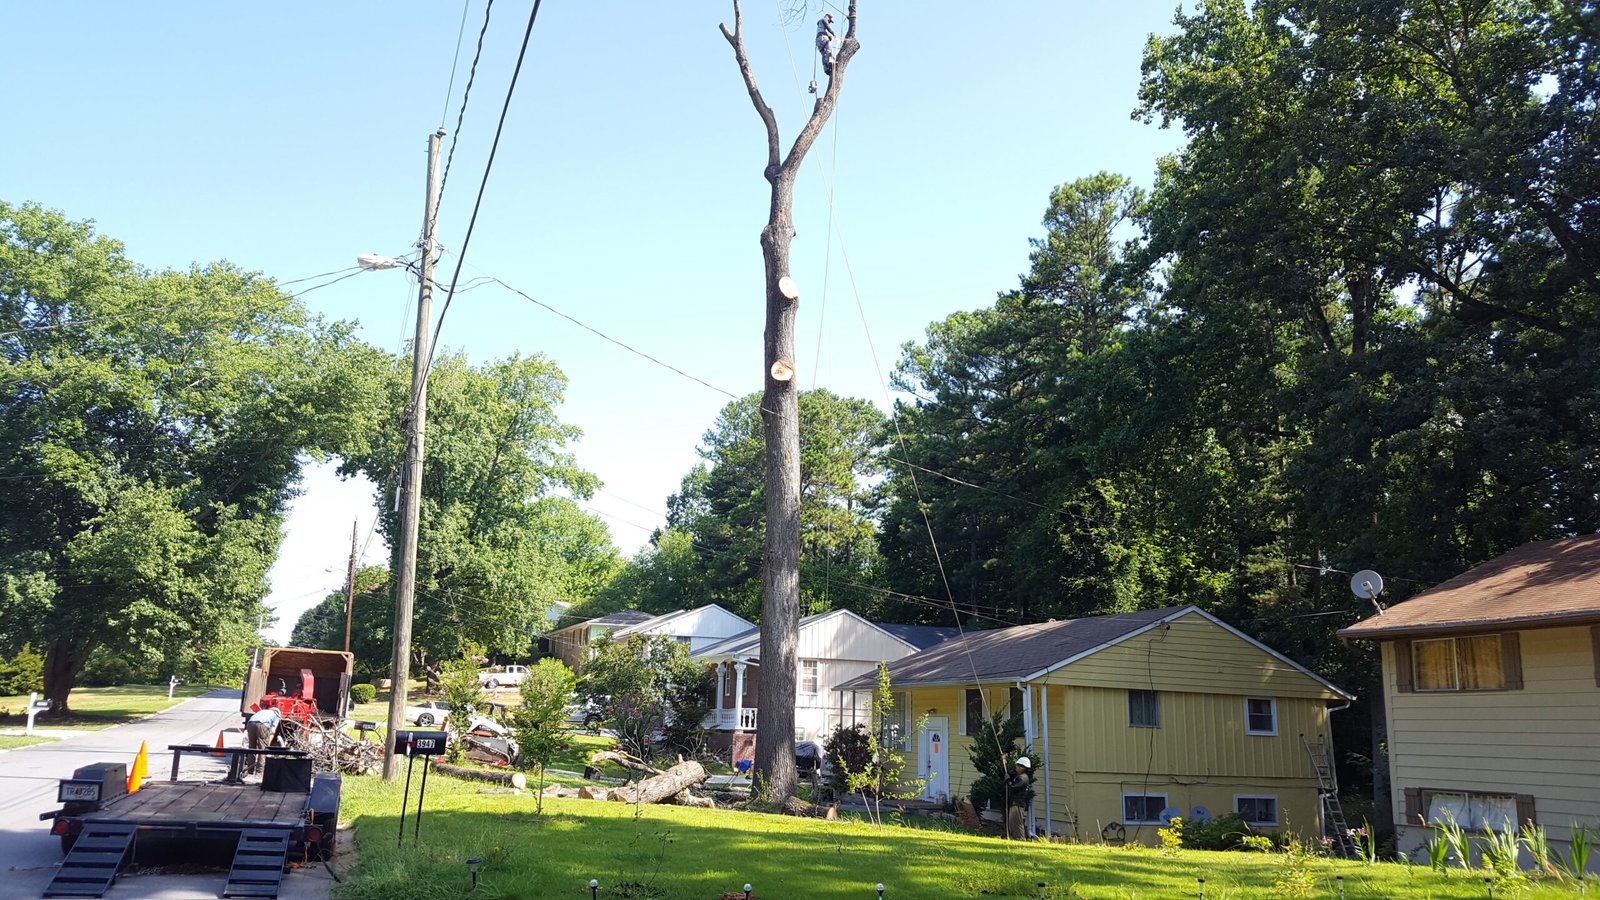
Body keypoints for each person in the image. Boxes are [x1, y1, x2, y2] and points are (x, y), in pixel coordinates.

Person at [245, 705, 282, 775]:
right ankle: (260, 771)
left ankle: (250, 770)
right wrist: (268, 744)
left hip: (250, 723)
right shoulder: (276, 715)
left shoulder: (262, 711)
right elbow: (273, 731)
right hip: (262, 725)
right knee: (263, 749)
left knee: (251, 747)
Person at [1005, 756, 1034, 840]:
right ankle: (1013, 837)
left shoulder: (1023, 778)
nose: (1016, 767)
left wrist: (1008, 781)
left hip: (1018, 803)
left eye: (1018, 765)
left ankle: (1021, 838)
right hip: (1014, 803)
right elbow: (1011, 773)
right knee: (1012, 822)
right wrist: (1005, 761)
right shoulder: (1019, 776)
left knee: (1017, 822)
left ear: (1022, 768)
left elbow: (1013, 787)